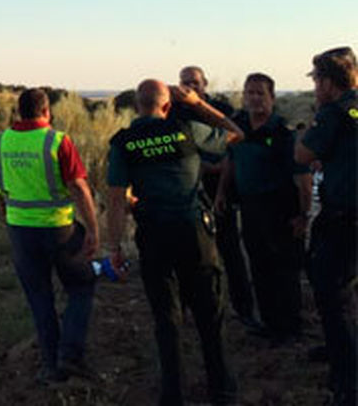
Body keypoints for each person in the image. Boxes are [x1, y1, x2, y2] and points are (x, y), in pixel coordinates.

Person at [106, 79, 244, 405]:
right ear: (167, 106)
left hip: (154, 236)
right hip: (194, 233)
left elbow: (115, 199)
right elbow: (235, 132)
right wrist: (198, 104)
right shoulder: (185, 130)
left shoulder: (124, 142)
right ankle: (222, 394)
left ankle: (173, 396)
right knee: (210, 316)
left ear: (137, 106)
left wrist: (114, 248)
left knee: (166, 320)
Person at [0, 89, 99, 384]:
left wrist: (10, 216)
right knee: (81, 285)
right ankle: (71, 355)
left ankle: (51, 367)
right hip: (60, 230)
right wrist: (93, 229)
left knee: (40, 299)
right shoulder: (56, 140)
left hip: (20, 232)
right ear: (46, 111)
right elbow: (78, 186)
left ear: (19, 112)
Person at [215, 73, 309, 345]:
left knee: (284, 269)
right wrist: (221, 192)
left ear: (272, 98)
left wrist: (303, 215)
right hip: (250, 206)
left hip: (281, 208)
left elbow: (303, 178)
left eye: (260, 93)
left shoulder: (282, 132)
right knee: (259, 265)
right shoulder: (238, 126)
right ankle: (269, 323)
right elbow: (230, 162)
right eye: (249, 93)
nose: (254, 98)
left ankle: (290, 328)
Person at [295, 46, 357, 406]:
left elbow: (302, 155)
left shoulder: (334, 113)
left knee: (335, 295)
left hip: (344, 215)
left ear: (328, 82)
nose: (315, 85)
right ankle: (338, 349)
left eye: (316, 79)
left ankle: (347, 379)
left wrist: (316, 136)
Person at [178, 65, 257, 328]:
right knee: (192, 254)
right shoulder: (176, 112)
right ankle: (192, 308)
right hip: (189, 190)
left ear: (205, 84)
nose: (190, 87)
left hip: (220, 186)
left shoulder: (220, 109)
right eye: (185, 83)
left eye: (195, 83)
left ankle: (244, 309)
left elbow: (235, 145)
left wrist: (216, 171)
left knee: (231, 251)